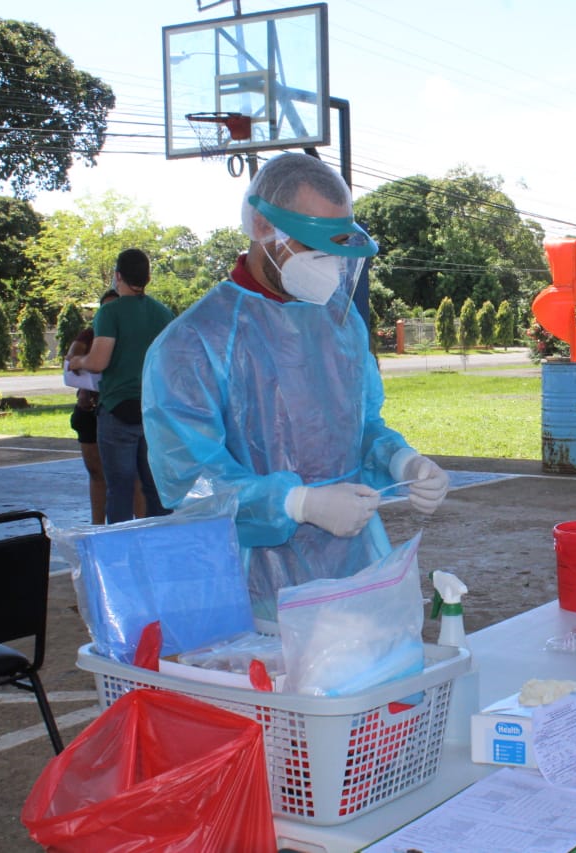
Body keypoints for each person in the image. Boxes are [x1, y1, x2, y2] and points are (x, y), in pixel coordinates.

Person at [141, 152, 450, 619]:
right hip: (253, 586)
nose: (329, 264)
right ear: (262, 227)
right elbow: (191, 483)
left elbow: (358, 426)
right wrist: (296, 503)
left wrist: (402, 461)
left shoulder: (339, 323)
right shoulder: (194, 343)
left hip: (354, 568)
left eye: (337, 247)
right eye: (313, 246)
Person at [67, 249, 173, 524]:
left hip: (117, 408)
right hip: (153, 410)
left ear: (118, 276)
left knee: (120, 489)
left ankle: (120, 545)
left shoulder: (110, 312)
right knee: (155, 488)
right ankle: (161, 540)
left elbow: (99, 361)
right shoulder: (163, 314)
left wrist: (78, 361)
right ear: (148, 277)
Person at [66, 289, 146, 524]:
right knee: (97, 472)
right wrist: (81, 361)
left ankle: (141, 527)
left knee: (134, 476)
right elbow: (72, 358)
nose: (110, 314)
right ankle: (98, 527)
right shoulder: (90, 334)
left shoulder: (136, 336)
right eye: (105, 309)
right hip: (91, 409)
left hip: (124, 410)